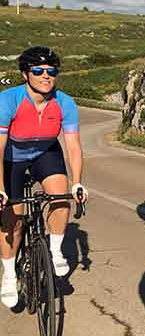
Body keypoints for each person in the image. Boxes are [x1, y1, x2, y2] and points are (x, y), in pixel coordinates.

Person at [0, 47, 88, 307]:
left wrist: (78, 182)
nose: (46, 76)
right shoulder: (8, 100)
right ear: (26, 74)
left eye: (52, 71)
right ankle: (7, 274)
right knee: (12, 220)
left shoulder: (65, 103)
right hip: (12, 158)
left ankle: (55, 250)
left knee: (61, 198)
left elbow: (73, 146)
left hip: (46, 152)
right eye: (38, 71)